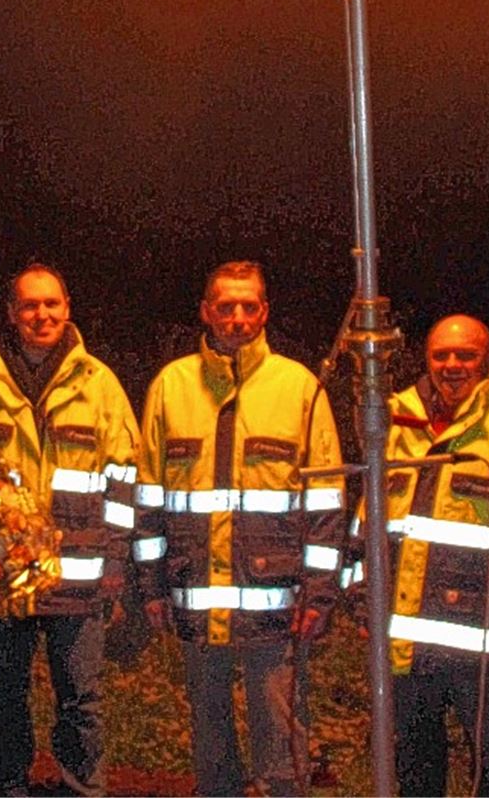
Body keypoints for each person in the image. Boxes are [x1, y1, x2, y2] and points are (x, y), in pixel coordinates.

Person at [134, 260, 343, 798]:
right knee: (210, 743)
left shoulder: (300, 389)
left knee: (281, 746)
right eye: (226, 306)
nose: (237, 317)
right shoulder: (171, 386)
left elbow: (325, 507)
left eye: (249, 306)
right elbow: (149, 499)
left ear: (264, 312)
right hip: (195, 600)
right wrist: (153, 587)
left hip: (277, 606)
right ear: (206, 312)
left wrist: (319, 594)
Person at [346, 313, 489, 797]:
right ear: (427, 359)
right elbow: (366, 525)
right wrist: (361, 601)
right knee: (414, 767)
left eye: (465, 355)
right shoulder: (395, 420)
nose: (452, 365)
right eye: (441, 355)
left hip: (485, 644)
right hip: (404, 641)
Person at [0, 262, 139, 798]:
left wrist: (115, 558)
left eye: (52, 304)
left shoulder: (99, 385)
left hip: (77, 570)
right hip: (6, 573)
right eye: (30, 305)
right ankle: (5, 783)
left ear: (67, 309)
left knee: (82, 697)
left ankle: (82, 787)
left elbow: (124, 478)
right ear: (12, 313)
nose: (42, 314)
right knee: (5, 693)